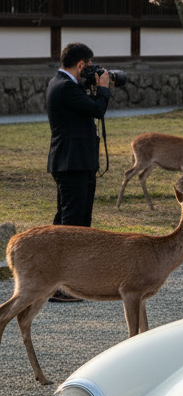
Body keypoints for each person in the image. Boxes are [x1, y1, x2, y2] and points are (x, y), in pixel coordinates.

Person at [46, 43, 111, 302]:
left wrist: (94, 89)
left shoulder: (62, 84)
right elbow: (97, 110)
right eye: (88, 66)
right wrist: (103, 88)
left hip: (76, 162)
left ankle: (58, 281)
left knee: (73, 221)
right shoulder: (64, 87)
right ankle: (63, 287)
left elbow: (86, 108)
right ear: (81, 64)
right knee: (72, 225)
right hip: (72, 163)